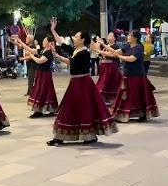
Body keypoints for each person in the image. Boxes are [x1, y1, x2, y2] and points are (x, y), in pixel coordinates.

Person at [47, 18, 117, 146]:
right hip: (77, 83)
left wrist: (57, 56)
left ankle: (84, 136)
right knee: (74, 108)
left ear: (82, 39)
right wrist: (53, 29)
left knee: (81, 108)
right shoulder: (76, 50)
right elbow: (61, 42)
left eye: (76, 36)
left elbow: (72, 63)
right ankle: (64, 136)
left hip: (82, 84)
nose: (74, 37)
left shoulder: (84, 52)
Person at [98, 31, 159, 123]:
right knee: (124, 95)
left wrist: (119, 57)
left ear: (135, 38)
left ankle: (142, 114)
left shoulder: (139, 47)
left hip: (137, 75)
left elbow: (132, 58)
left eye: (130, 35)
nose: (128, 37)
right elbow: (114, 52)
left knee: (138, 95)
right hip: (127, 74)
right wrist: (101, 46)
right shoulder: (127, 46)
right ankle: (121, 114)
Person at [23, 35, 58, 118]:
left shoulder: (48, 53)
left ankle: (39, 111)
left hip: (45, 75)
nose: (43, 42)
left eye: (44, 41)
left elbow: (39, 61)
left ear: (49, 43)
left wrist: (31, 56)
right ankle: (44, 110)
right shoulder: (43, 50)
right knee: (44, 91)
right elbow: (30, 49)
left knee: (42, 91)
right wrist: (20, 41)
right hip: (41, 74)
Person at [94, 32, 123, 106]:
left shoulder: (116, 46)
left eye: (111, 35)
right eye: (108, 35)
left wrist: (101, 51)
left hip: (112, 68)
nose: (109, 37)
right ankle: (104, 99)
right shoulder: (106, 46)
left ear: (115, 38)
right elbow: (101, 54)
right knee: (103, 83)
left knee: (108, 84)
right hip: (105, 68)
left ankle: (111, 100)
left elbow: (115, 55)